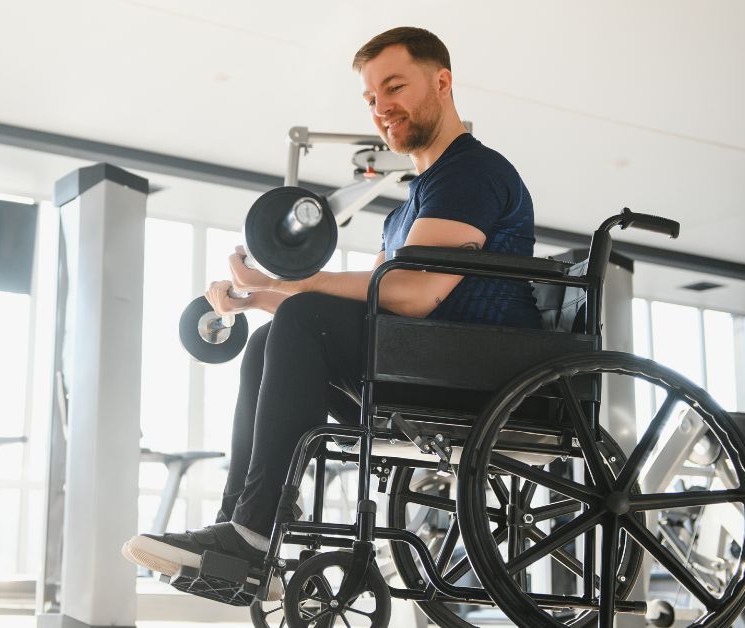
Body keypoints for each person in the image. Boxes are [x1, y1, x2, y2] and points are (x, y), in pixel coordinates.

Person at [121, 26, 541, 602]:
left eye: (394, 87)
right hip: (428, 359)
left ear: (442, 83)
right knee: (273, 336)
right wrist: (259, 295)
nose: (381, 108)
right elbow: (371, 297)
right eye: (371, 99)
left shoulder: (470, 172)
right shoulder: (412, 205)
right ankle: (239, 531)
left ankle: (251, 532)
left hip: (478, 368)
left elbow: (414, 296)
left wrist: (289, 282)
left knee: (302, 319)